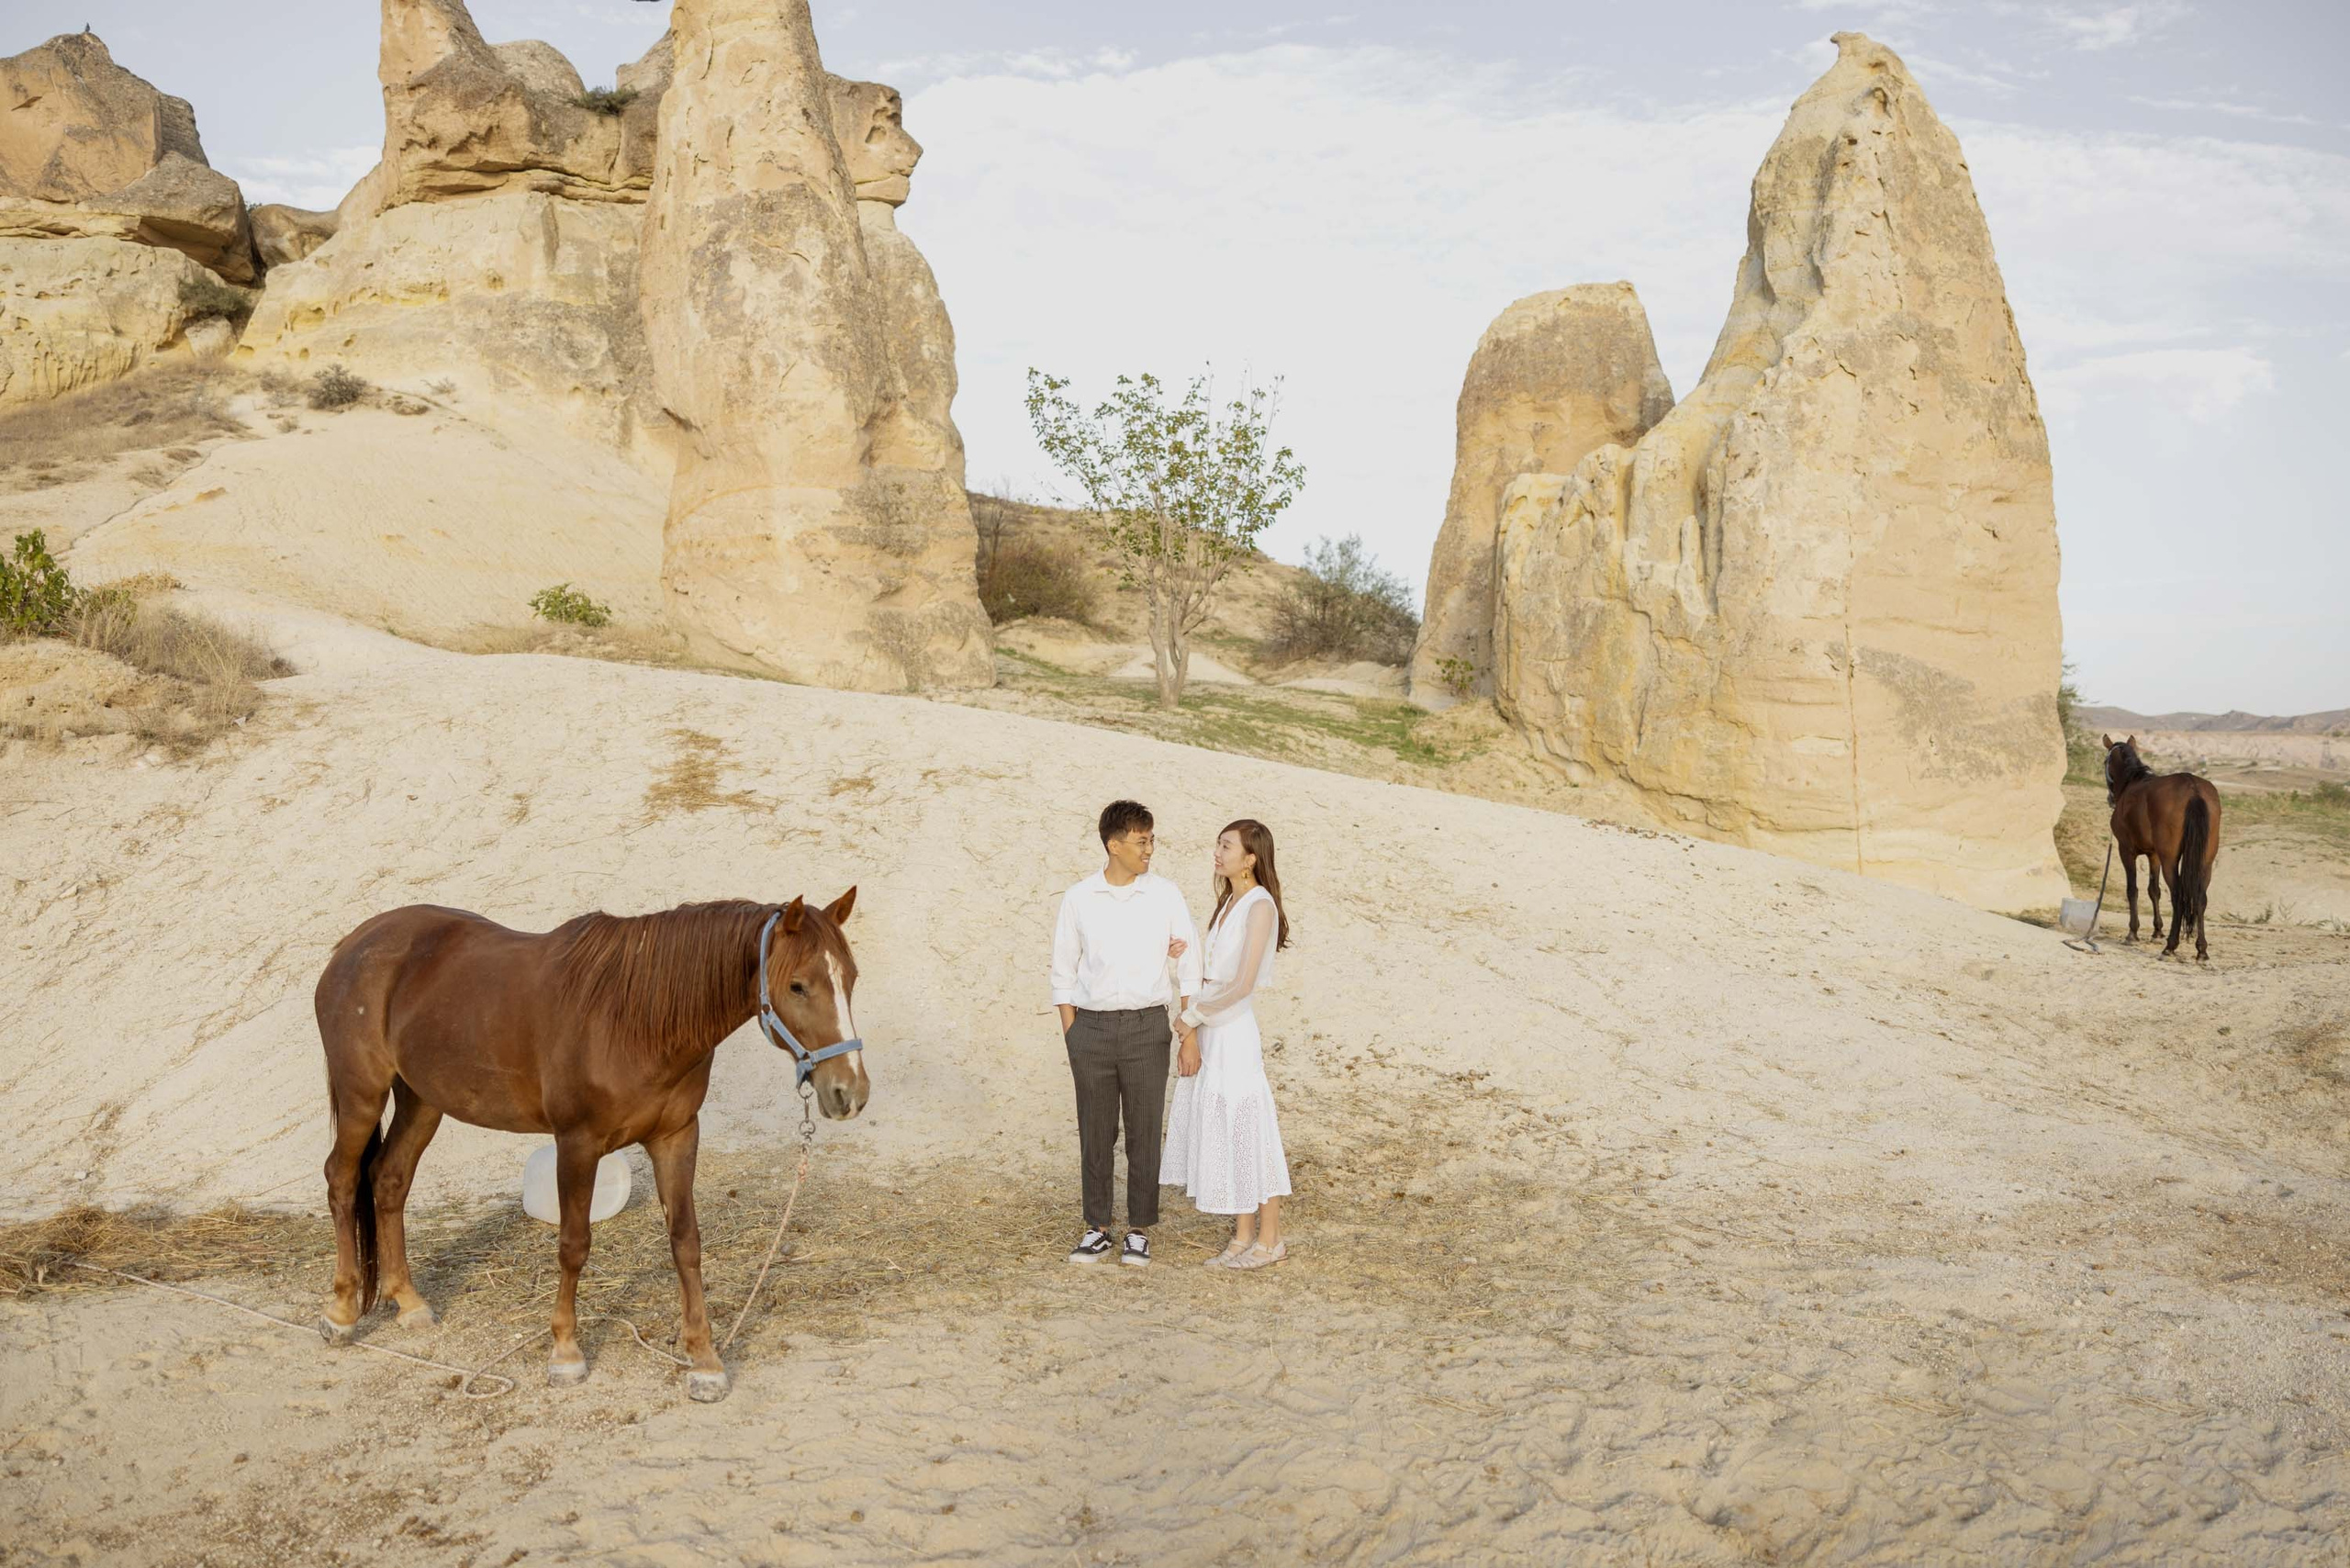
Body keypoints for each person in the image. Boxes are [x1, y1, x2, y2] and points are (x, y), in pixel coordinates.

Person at [1049, 800, 1202, 1267]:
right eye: (1141, 841)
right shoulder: (1078, 897)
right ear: (1114, 845)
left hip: (1145, 1028)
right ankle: (1097, 1227)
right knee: (1095, 1132)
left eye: (1151, 840)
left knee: (1142, 1130)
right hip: (1090, 1028)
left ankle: (1139, 1229)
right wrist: (1073, 1033)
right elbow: (1062, 970)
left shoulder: (1165, 894)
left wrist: (1188, 1029)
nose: (1150, 850)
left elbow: (1191, 961)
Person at [1161, 818, 1292, 1269]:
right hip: (1212, 1025)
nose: (1217, 853)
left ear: (1250, 858)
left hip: (1233, 1030)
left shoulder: (1260, 906)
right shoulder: (1226, 903)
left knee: (1250, 1130)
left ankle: (1270, 1239)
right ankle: (1242, 1235)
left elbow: (1242, 983)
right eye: (1217, 845)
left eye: (1226, 846)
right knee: (1227, 1129)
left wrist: (1191, 1017)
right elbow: (1210, 969)